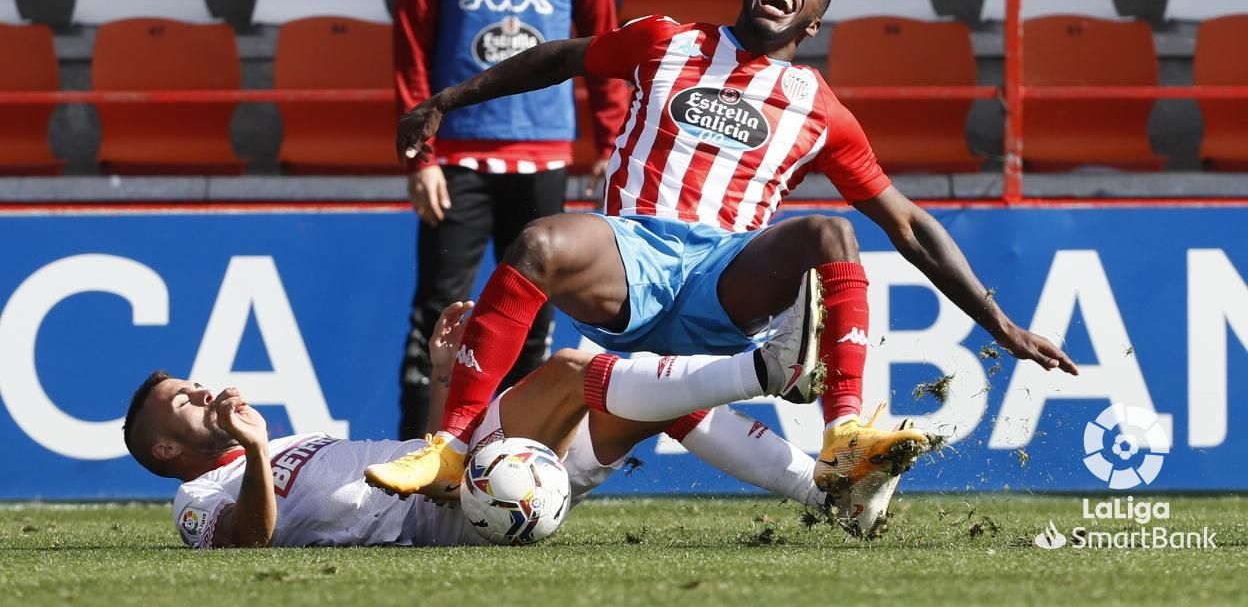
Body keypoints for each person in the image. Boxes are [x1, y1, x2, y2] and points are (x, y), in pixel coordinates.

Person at [367, 0, 1080, 500]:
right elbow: (562, 56)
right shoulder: (666, 42)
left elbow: (909, 224)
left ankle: (845, 441)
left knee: (831, 232)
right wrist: (447, 101)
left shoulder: (819, 107)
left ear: (814, 20)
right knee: (538, 241)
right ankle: (450, 450)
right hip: (631, 257)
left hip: (721, 281)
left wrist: (999, 323)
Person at [124, 293, 910, 549]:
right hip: (456, 517)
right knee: (574, 370)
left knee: (646, 406)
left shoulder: (288, 442)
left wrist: (444, 376)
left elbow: (413, 459)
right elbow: (238, 548)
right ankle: (767, 370)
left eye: (194, 384)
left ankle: (829, 495)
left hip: (472, 480)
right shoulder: (196, 502)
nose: (206, 392)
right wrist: (259, 454)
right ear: (166, 448)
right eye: (187, 402)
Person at [392, 0, 628, 439]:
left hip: (544, 150)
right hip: (458, 158)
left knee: (530, 317)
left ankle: (514, 461)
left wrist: (610, 140)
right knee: (436, 314)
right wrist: (421, 155)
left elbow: (602, 42)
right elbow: (409, 51)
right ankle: (415, 456)